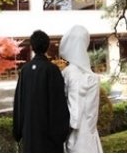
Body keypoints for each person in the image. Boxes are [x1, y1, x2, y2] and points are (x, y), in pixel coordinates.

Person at [12, 29, 69, 152]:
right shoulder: (52, 70)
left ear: (32, 46)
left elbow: (19, 102)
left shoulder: (25, 70)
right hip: (48, 135)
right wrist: (60, 134)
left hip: (29, 134)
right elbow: (59, 103)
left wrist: (18, 131)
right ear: (47, 46)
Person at [59, 25, 103, 153]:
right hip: (90, 127)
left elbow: (75, 105)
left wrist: (69, 128)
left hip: (76, 129)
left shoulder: (69, 72)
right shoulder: (90, 74)